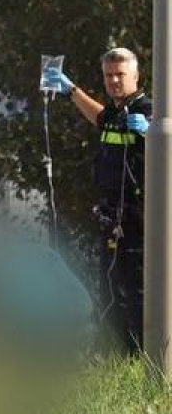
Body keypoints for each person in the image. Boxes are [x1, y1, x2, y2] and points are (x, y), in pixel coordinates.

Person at [43, 47, 152, 350]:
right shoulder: (117, 113)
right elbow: (100, 118)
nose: (114, 81)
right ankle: (122, 358)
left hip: (138, 219)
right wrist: (72, 90)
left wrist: (153, 131)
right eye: (109, 75)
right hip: (111, 218)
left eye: (120, 74)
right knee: (111, 290)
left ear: (136, 76)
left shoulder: (147, 110)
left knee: (137, 291)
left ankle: (146, 358)